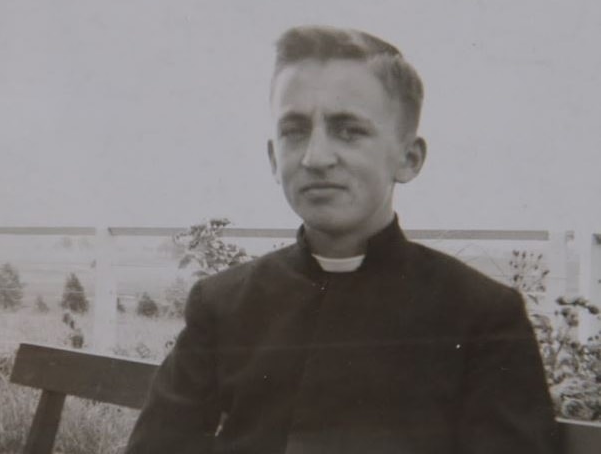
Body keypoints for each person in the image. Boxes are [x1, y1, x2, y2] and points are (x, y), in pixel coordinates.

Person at [126, 25, 559, 454]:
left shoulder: (482, 317)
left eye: (348, 130)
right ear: (274, 160)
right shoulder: (222, 304)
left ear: (408, 159)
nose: (316, 158)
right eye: (294, 130)